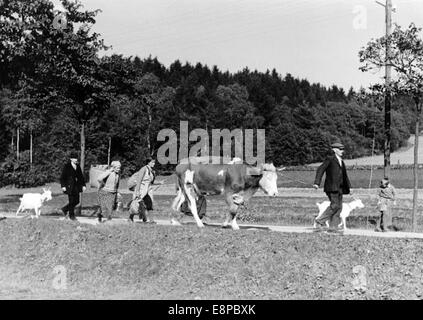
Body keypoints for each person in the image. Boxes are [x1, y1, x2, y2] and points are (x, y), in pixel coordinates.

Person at [313, 141, 352, 232]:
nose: (342, 151)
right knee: (334, 206)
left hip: (340, 188)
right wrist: (317, 183)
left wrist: (349, 188)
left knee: (339, 207)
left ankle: (333, 227)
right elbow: (320, 169)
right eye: (340, 149)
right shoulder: (330, 158)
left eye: (342, 149)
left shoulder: (341, 161)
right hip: (331, 187)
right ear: (334, 150)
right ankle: (319, 221)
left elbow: (344, 176)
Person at [129, 158, 160, 223]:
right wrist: (137, 191)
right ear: (148, 162)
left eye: (154, 162)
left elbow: (150, 182)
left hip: (148, 190)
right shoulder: (143, 169)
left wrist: (160, 182)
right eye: (152, 162)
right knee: (137, 204)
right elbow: (139, 180)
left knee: (149, 204)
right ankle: (130, 217)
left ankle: (151, 220)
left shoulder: (152, 171)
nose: (153, 164)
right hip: (141, 189)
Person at [60, 152, 86, 221]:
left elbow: (81, 177)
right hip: (69, 186)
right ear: (71, 159)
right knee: (71, 201)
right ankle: (72, 216)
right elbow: (62, 177)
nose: (76, 159)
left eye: (76, 158)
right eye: (74, 158)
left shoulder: (78, 166)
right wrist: (63, 186)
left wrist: (83, 185)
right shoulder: (67, 166)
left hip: (76, 186)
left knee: (77, 201)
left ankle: (65, 209)